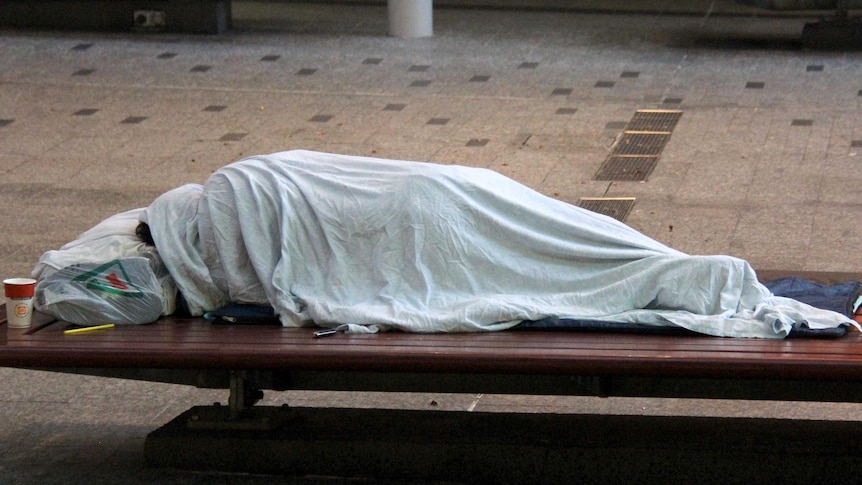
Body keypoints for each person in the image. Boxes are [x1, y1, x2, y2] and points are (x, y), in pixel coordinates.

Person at [133, 149, 855, 338]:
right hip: (451, 193)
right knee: (589, 253)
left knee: (575, 274)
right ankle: (710, 278)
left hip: (433, 231)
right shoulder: (247, 179)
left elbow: (274, 280)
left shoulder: (233, 212)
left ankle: (717, 282)